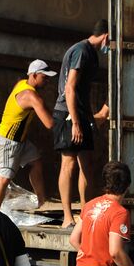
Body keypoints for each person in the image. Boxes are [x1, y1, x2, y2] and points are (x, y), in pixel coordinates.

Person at [52, 19, 111, 221]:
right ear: (106, 36)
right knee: (68, 163)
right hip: (68, 113)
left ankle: (86, 213)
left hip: (82, 114)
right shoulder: (81, 51)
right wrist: (75, 122)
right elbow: (70, 88)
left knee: (87, 163)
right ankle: (68, 217)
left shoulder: (91, 54)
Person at [0, 59, 58, 221]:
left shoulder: (21, 83)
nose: (47, 80)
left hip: (20, 140)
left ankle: (42, 202)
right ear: (34, 75)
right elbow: (49, 124)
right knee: (4, 178)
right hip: (9, 141)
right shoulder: (31, 96)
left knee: (36, 161)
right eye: (45, 77)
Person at [70, 161, 134, 266]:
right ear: (128, 185)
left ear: (105, 183)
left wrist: (86, 256)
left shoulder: (89, 205)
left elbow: (73, 239)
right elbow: (115, 252)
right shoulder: (120, 213)